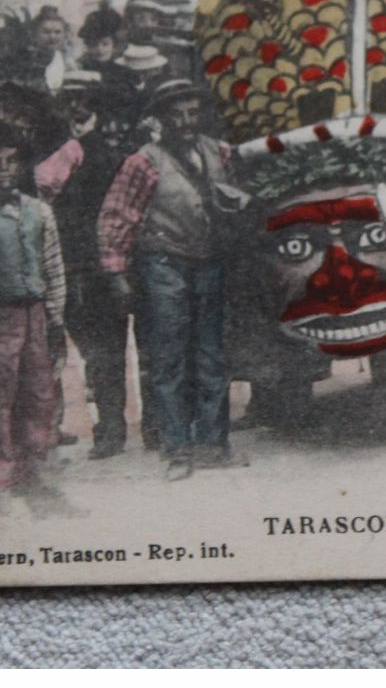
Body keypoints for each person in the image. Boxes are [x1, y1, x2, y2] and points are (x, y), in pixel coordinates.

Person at [98, 80, 242, 479]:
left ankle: (214, 443)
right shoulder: (143, 162)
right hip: (163, 265)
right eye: (176, 115)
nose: (185, 122)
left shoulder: (220, 153)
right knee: (169, 358)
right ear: (160, 120)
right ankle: (177, 448)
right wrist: (117, 274)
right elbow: (116, 217)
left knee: (212, 354)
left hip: (209, 262)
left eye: (192, 113)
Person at [0, 124, 73, 516]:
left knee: (41, 393)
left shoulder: (39, 211)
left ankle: (37, 474)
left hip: (35, 313)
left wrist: (56, 317)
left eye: (11, 161)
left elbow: (53, 266)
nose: (4, 169)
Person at [34, 71, 137, 460]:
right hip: (67, 263)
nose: (76, 106)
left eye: (85, 99)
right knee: (81, 350)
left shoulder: (109, 150)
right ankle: (92, 428)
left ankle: (125, 428)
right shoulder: (52, 144)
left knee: (113, 351)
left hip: (108, 262)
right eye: (70, 98)